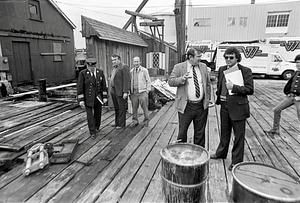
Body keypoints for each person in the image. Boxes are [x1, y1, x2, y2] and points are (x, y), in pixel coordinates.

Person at [210, 47, 254, 171]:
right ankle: (221, 153)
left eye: (231, 57)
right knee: (224, 132)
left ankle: (236, 161)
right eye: (226, 57)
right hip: (224, 105)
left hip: (238, 108)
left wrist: (234, 87)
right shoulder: (222, 69)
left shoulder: (245, 71)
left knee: (239, 136)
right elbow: (220, 85)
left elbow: (250, 89)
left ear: (237, 58)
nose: (228, 60)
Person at [168, 48, 211, 148]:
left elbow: (207, 84)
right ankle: (181, 154)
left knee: (200, 133)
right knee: (182, 133)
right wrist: (181, 79)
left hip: (201, 106)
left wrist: (207, 99)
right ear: (190, 57)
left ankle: (199, 156)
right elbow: (170, 81)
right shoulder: (179, 67)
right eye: (198, 57)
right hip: (186, 106)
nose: (200, 59)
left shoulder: (203, 67)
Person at [266, 54, 300, 137]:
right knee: (276, 110)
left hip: (299, 99)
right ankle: (275, 129)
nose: (298, 64)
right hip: (291, 96)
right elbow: (290, 84)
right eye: (297, 62)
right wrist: (287, 92)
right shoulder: (296, 72)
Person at [77, 57, 107, 138]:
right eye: (90, 67)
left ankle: (97, 127)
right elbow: (80, 87)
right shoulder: (82, 73)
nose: (91, 69)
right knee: (90, 116)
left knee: (98, 114)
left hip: (98, 98)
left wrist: (104, 97)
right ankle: (92, 131)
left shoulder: (100, 72)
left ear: (95, 66)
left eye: (93, 67)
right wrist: (81, 100)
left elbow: (103, 85)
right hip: (88, 98)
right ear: (87, 66)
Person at [110, 54, 131, 129]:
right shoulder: (114, 68)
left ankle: (121, 124)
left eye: (115, 59)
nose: (113, 61)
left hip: (120, 91)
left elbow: (127, 80)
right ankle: (117, 122)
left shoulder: (124, 67)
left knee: (121, 108)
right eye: (112, 60)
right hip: (113, 90)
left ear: (119, 59)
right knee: (116, 107)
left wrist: (125, 92)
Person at [129, 56, 151, 127]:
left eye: (137, 61)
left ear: (140, 62)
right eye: (135, 61)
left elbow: (148, 81)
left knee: (144, 107)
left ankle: (146, 121)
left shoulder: (144, 70)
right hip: (134, 93)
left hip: (142, 92)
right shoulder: (131, 71)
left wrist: (147, 91)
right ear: (133, 62)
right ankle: (135, 121)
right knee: (134, 108)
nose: (136, 63)